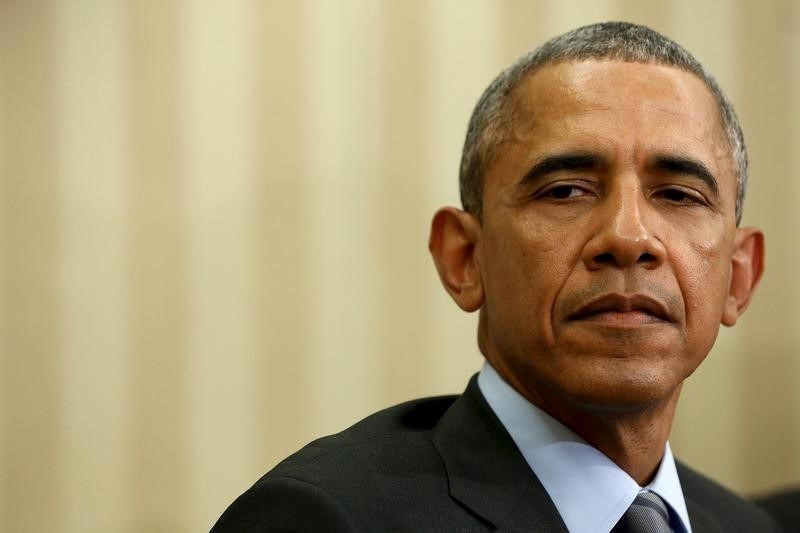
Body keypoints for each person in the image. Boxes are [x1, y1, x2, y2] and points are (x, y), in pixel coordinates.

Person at [213, 22, 777, 532]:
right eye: (565, 191)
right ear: (464, 259)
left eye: (679, 195)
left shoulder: (747, 526)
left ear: (738, 277)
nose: (628, 239)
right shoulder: (327, 518)